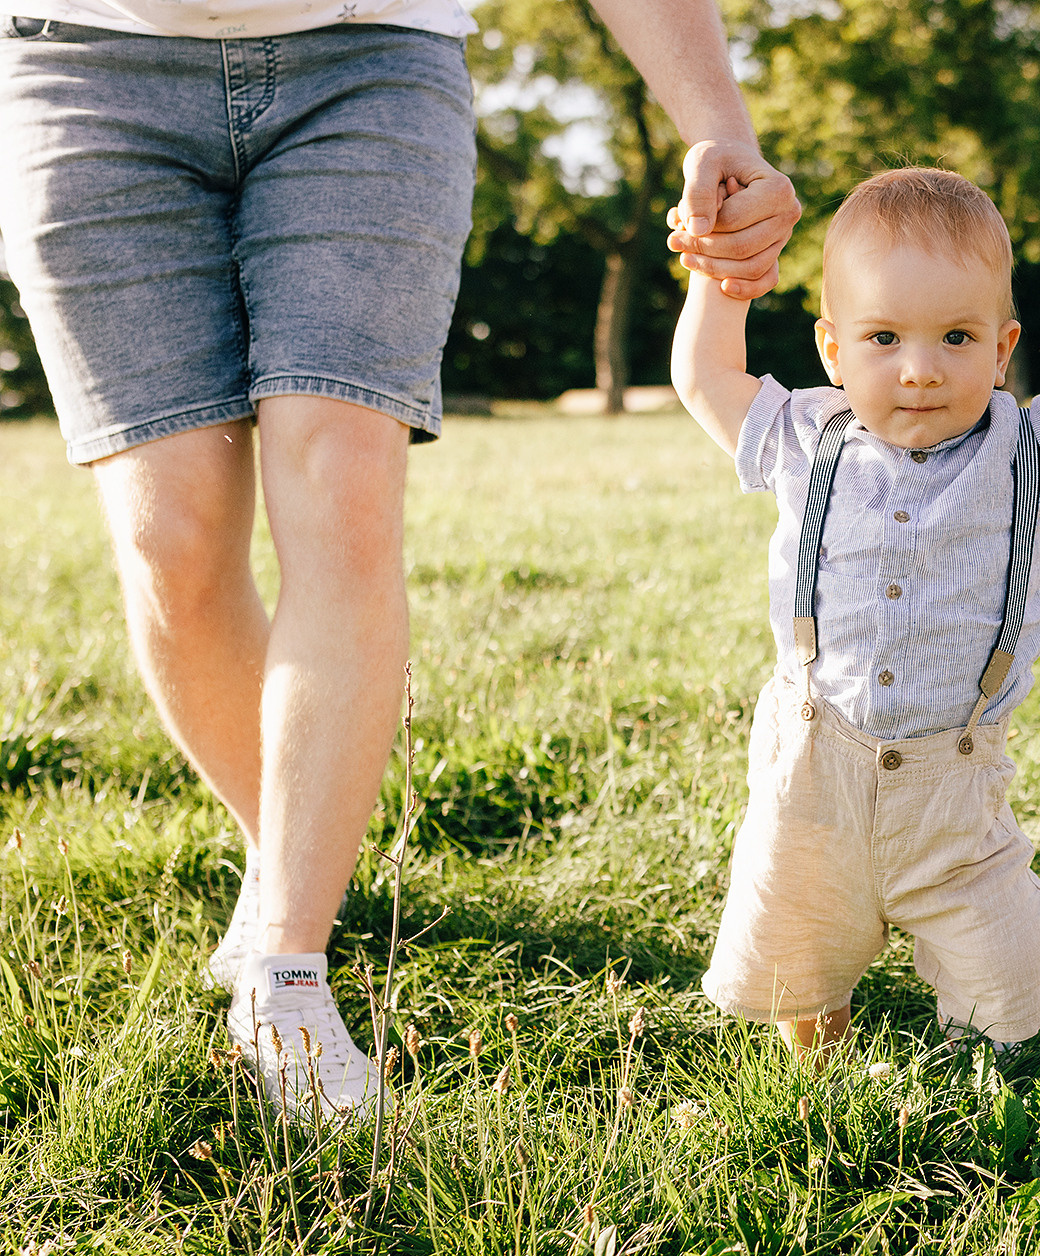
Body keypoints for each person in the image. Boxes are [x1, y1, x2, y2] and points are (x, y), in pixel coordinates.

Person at [0, 0, 798, 1116]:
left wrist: (714, 120)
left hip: (369, 56)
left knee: (342, 485)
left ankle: (287, 971)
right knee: (170, 539)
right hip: (81, 64)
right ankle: (278, 854)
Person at [670, 156, 1040, 1053]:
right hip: (815, 773)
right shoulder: (804, 437)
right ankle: (820, 1073)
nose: (921, 370)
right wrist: (721, 267)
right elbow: (703, 374)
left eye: (957, 339)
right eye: (884, 337)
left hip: (955, 788)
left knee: (1008, 995)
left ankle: (981, 1086)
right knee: (799, 971)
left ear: (1004, 347)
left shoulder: (1032, 450)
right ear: (833, 350)